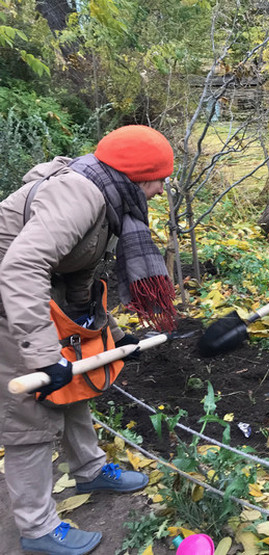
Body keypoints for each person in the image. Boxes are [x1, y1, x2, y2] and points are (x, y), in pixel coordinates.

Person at [0, 125, 178, 555]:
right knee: (29, 419)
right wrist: (44, 357)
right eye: (160, 179)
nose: (161, 189)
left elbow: (78, 270)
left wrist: (110, 335)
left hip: (42, 295)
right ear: (140, 176)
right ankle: (37, 528)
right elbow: (22, 269)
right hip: (12, 301)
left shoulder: (109, 196)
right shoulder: (81, 195)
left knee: (75, 381)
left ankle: (90, 469)